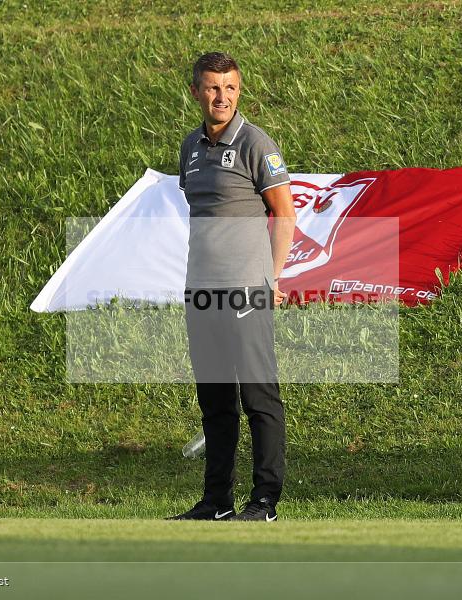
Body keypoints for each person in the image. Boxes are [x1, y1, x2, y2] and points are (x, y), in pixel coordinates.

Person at [167, 52, 296, 522]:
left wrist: (271, 278)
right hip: (200, 290)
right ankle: (216, 500)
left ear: (239, 92)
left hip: (247, 290)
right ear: (196, 92)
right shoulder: (190, 148)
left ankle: (264, 501)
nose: (222, 97)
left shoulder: (256, 144)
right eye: (213, 87)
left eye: (231, 88)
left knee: (258, 397)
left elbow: (284, 214)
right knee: (215, 401)